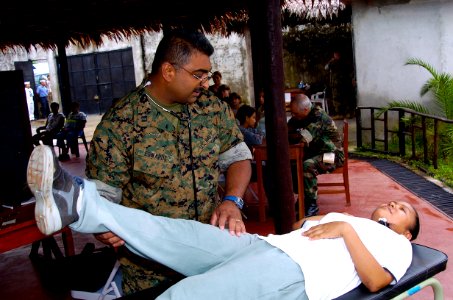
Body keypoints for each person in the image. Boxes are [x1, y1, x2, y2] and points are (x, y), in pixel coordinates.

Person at [27, 144, 419, 300]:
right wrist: (318, 225)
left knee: (188, 295)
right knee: (171, 232)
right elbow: (303, 228)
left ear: (406, 231)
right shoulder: (349, 218)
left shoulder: (397, 245)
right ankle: (77, 203)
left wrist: (345, 231)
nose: (394, 202)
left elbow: (377, 282)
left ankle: (78, 202)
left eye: (403, 208)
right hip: (266, 247)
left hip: (293, 273)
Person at [85, 30, 252, 294]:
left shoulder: (212, 108)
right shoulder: (121, 123)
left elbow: (238, 158)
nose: (206, 84)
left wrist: (232, 200)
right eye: (198, 75)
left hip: (211, 256)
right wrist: (104, 228)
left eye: (207, 75)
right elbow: (102, 198)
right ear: (168, 71)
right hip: (152, 271)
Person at [287, 94, 344, 217]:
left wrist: (296, 134)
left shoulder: (319, 117)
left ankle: (311, 206)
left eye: (295, 114)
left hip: (333, 157)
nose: (293, 116)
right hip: (317, 154)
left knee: (308, 165)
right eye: (292, 113)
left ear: (305, 110)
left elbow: (304, 138)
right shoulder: (300, 116)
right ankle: (303, 196)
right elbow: (287, 131)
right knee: (292, 163)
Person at [324, 51, 354, 118]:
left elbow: (350, 72)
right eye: (335, 55)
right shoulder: (333, 62)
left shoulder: (342, 62)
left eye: (337, 55)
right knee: (338, 100)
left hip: (342, 84)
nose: (336, 56)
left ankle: (344, 114)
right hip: (336, 85)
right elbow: (326, 67)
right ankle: (341, 114)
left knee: (342, 100)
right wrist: (330, 61)